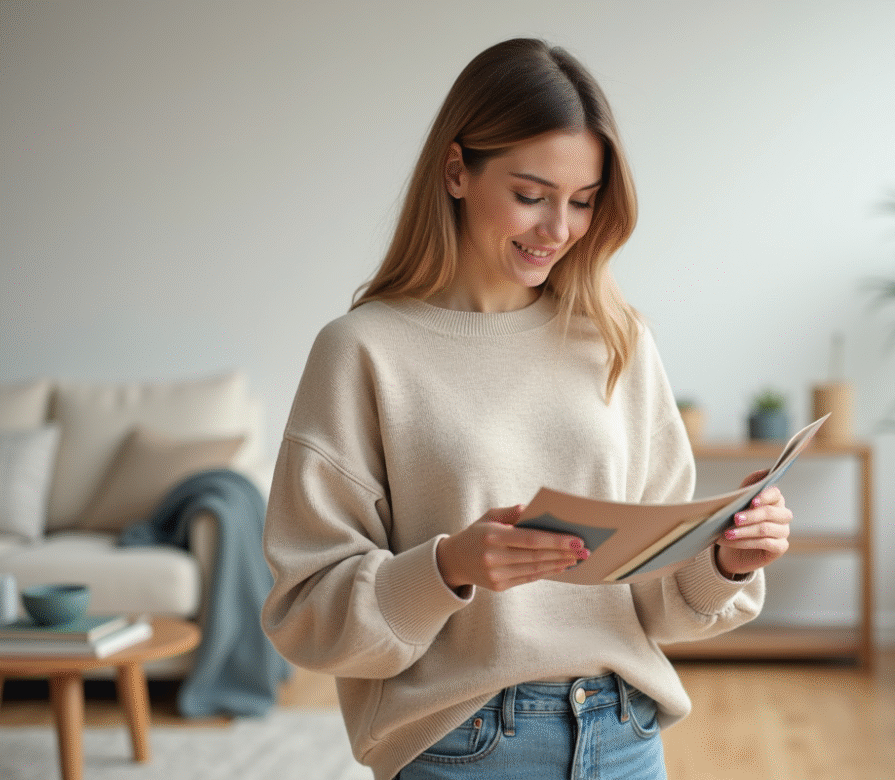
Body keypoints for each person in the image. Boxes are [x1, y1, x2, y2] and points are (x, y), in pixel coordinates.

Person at [261, 37, 793, 780]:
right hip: (465, 746)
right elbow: (307, 611)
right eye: (531, 194)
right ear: (457, 171)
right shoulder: (363, 351)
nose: (559, 230)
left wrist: (726, 563)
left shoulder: (617, 338)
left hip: (626, 734)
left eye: (582, 201)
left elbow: (663, 596)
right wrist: (447, 567)